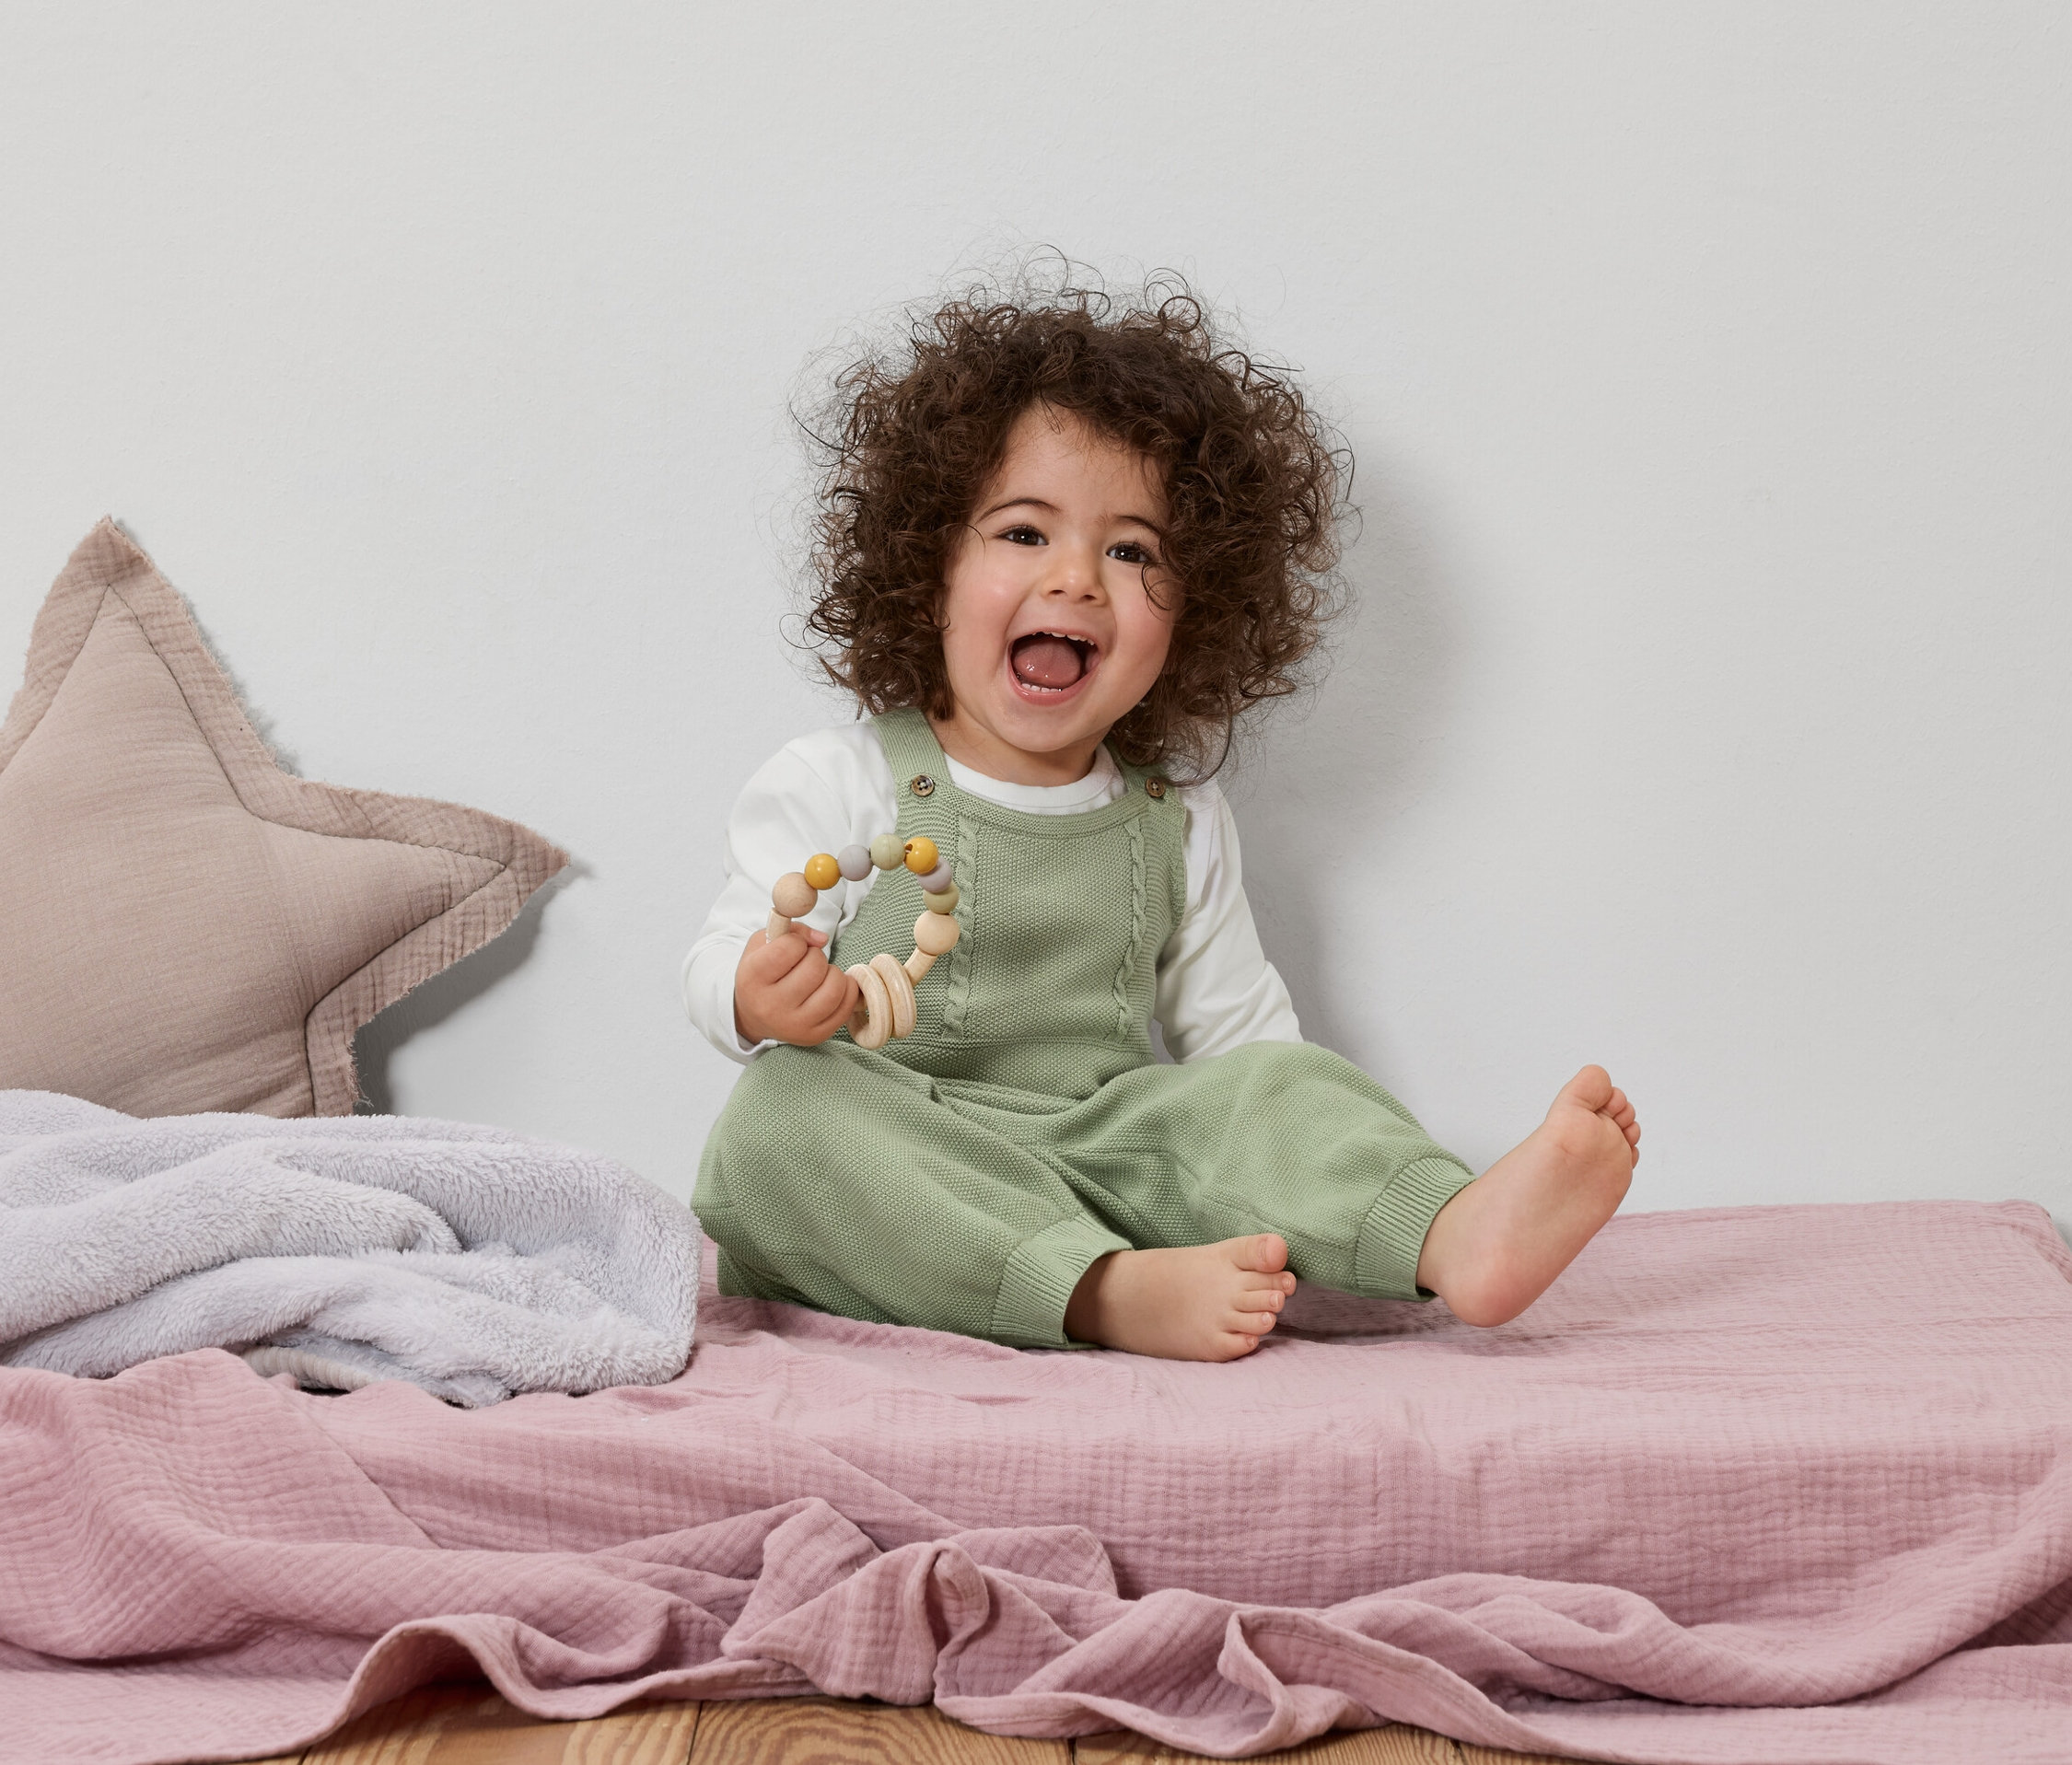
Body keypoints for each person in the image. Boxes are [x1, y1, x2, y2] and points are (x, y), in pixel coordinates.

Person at [683, 278, 1640, 1362]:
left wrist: (1283, 1138)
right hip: (902, 1172)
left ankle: (1449, 1231)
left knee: (1276, 1085)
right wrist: (757, 993)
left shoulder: (1172, 818)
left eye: (1132, 551)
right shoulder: (840, 779)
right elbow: (721, 959)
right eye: (1023, 531)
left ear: (1198, 613)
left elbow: (1239, 1041)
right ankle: (1100, 1293)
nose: (1078, 579)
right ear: (928, 569)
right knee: (778, 1119)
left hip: (1104, 1159)